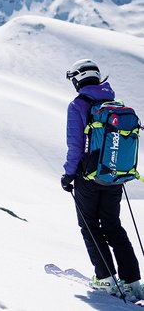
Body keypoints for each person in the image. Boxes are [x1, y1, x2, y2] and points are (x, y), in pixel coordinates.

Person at [61, 59, 143, 300]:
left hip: (88, 177)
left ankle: (106, 279)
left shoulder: (78, 105)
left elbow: (75, 145)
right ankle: (132, 281)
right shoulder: (114, 103)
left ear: (79, 79)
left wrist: (68, 174)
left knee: (89, 225)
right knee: (113, 226)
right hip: (115, 176)